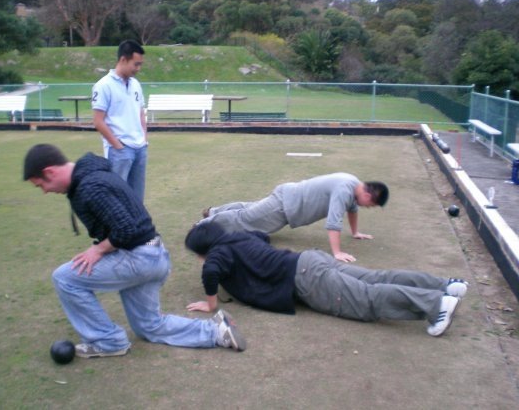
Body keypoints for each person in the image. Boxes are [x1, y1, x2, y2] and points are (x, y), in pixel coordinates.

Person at [23, 144, 245, 358]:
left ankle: (108, 343)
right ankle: (217, 331)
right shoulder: (91, 176)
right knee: (149, 326)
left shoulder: (90, 187)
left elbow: (126, 229)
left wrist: (98, 249)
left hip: (139, 259)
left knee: (64, 278)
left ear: (49, 172)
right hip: (154, 255)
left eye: (40, 185)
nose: (44, 192)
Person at [185, 222, 468, 337]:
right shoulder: (237, 235)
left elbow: (211, 271)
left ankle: (437, 304)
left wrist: (211, 304)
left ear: (203, 249)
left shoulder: (218, 254)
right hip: (310, 260)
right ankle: (446, 285)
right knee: (376, 277)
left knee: (367, 298)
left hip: (307, 278)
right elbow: (262, 237)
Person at [201, 172, 389, 262]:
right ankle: (205, 225)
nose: (368, 208)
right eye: (371, 205)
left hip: (287, 198)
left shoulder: (353, 183)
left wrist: (355, 232)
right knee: (246, 220)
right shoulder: (344, 190)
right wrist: (337, 252)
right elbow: (334, 223)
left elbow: (353, 210)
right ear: (367, 195)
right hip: (284, 206)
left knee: (249, 210)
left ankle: (213, 212)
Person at [92, 40, 148, 202]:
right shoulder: (103, 86)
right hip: (120, 150)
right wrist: (117, 145)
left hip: (140, 148)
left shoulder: (135, 84)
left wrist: (144, 139)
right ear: (123, 60)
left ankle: (137, 228)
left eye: (140, 65)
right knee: (116, 199)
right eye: (136, 64)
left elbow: (140, 113)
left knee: (137, 201)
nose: (138, 69)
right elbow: (98, 121)